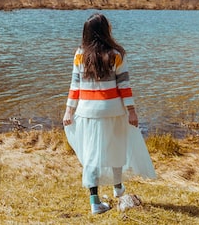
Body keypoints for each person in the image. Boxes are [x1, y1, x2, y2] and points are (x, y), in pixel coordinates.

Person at [62, 13, 155, 214]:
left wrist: (69, 110)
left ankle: (95, 201)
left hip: (87, 112)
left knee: (90, 156)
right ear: (105, 31)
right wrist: (132, 111)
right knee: (116, 149)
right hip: (113, 110)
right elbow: (124, 86)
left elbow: (74, 86)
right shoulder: (115, 55)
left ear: (86, 33)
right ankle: (118, 188)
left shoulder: (80, 54)